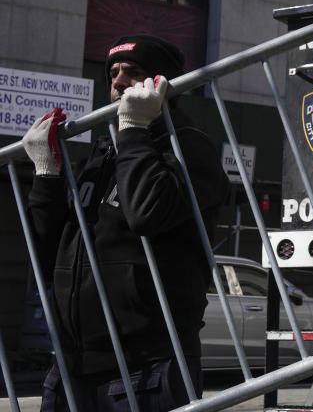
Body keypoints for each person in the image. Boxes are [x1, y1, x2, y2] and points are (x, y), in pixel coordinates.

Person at [24, 34, 228, 411]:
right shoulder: (102, 157)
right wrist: (46, 175)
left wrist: (135, 130)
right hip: (72, 366)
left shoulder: (190, 149)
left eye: (133, 73)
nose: (117, 82)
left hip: (145, 367)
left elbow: (146, 213)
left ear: (161, 84)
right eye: (113, 73)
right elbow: (47, 253)